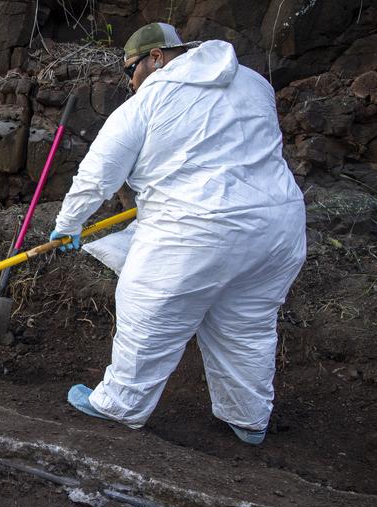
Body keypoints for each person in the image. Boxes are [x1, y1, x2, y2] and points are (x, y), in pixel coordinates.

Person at [48, 23, 306, 445]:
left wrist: (67, 226)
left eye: (131, 69)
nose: (130, 81)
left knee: (148, 308)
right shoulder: (255, 83)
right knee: (246, 326)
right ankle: (248, 419)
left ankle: (120, 405)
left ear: (156, 58)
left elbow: (97, 177)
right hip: (277, 228)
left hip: (197, 230)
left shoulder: (147, 103)